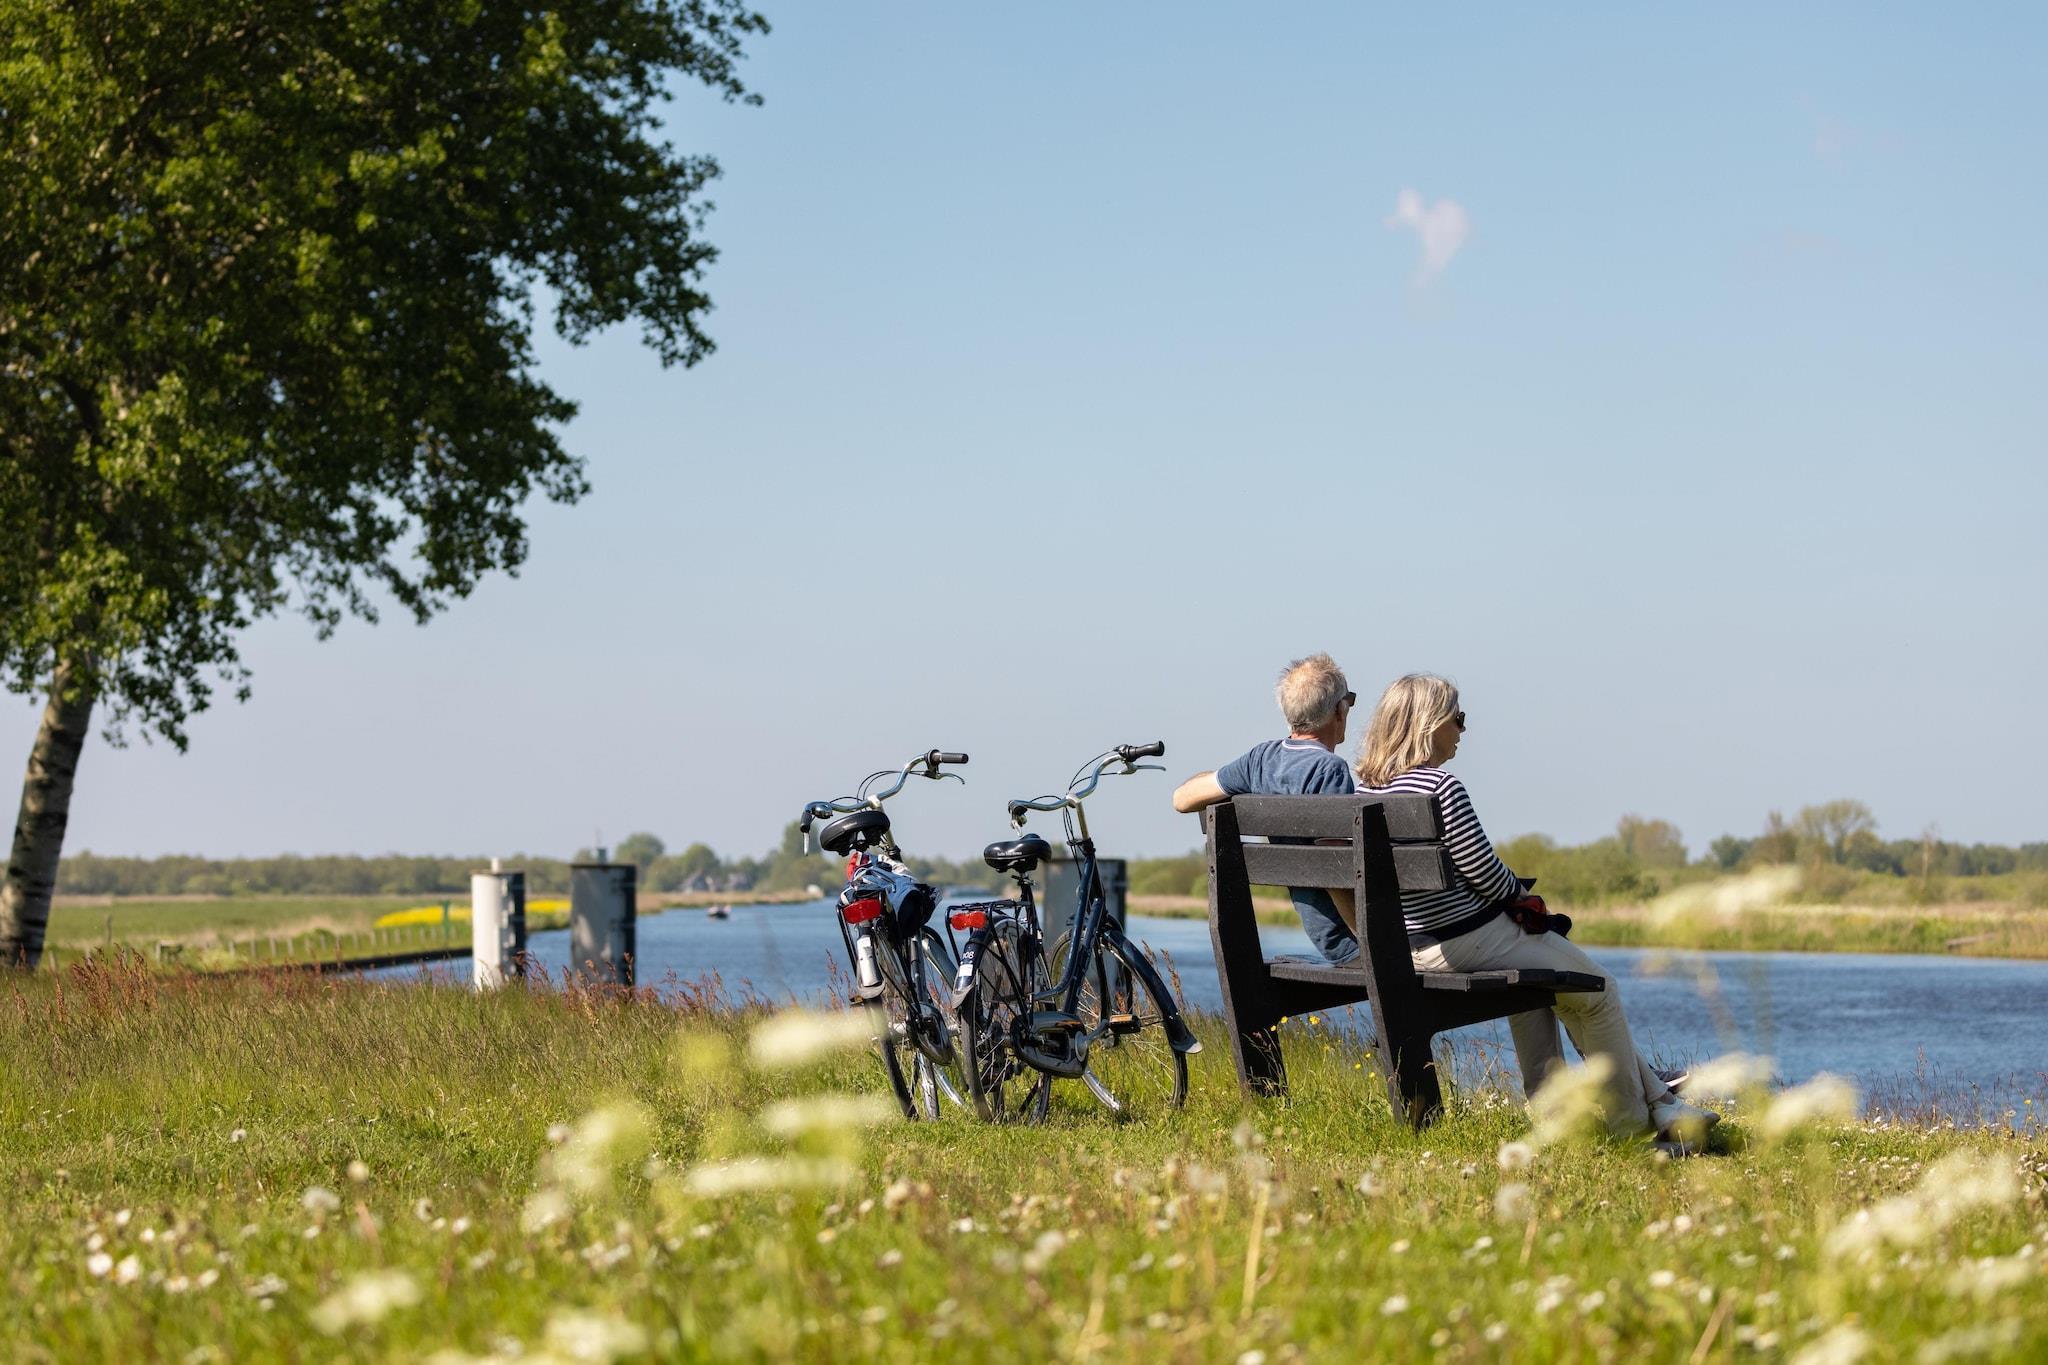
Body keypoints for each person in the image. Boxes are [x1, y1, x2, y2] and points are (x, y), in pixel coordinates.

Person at [1354, 673, 1717, 1144]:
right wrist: (1522, 897)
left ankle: (1586, 1117)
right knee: (1599, 990)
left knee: (1538, 991)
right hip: (1466, 940)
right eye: (1457, 718)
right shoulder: (1441, 788)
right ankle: (1633, 1129)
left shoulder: (1364, 791)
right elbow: (1484, 873)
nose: (1463, 729)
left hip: (1410, 945)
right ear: (1429, 723)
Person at [1172, 653, 1363, 965]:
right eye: (1349, 702)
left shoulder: (1260, 760)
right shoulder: (1330, 770)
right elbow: (1334, 870)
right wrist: (1370, 939)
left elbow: (1181, 799)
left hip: (1322, 936)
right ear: (1339, 711)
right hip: (1349, 944)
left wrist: (1221, 777)